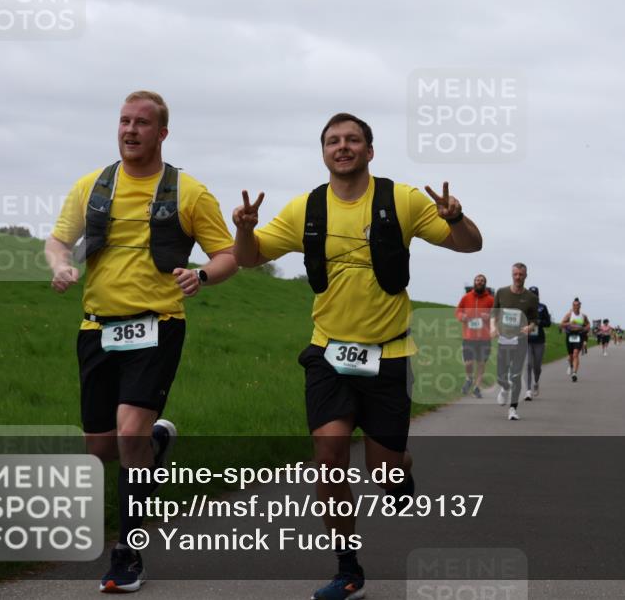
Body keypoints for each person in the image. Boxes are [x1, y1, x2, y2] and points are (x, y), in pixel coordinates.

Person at [231, 113, 482, 600]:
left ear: (369, 151)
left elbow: (470, 246)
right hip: (328, 352)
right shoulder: (306, 208)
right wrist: (244, 229)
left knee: (384, 472)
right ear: (323, 152)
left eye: (352, 140)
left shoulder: (401, 200)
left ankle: (399, 476)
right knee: (328, 458)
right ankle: (348, 569)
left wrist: (454, 217)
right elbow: (248, 258)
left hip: (388, 355)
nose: (341, 147)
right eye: (332, 141)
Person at [45, 91, 238, 593]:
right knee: (100, 447)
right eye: (124, 121)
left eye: (142, 123)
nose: (130, 130)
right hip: (97, 327)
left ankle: (128, 553)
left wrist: (204, 276)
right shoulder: (93, 185)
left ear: (162, 133)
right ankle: (156, 442)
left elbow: (227, 254)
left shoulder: (190, 193)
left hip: (157, 325)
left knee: (127, 432)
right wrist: (62, 265)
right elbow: (57, 240)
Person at [490, 263, 539, 420]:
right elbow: (493, 314)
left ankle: (513, 409)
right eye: (515, 274)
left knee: (516, 375)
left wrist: (530, 327)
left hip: (520, 340)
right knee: (501, 375)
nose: (518, 277)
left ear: (526, 275)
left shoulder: (531, 298)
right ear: (512, 274)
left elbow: (534, 320)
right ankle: (504, 389)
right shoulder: (501, 292)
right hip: (504, 339)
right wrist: (493, 327)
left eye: (521, 274)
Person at [456, 274, 494, 398]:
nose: (479, 282)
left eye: (482, 281)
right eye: (477, 280)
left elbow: (497, 314)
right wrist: (463, 317)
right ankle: (469, 379)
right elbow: (458, 311)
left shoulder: (490, 299)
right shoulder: (466, 297)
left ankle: (477, 388)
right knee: (468, 362)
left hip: (484, 338)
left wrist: (489, 317)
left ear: (485, 283)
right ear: (474, 282)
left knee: (481, 363)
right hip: (469, 336)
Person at [524, 285, 551, 400]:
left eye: (535, 294)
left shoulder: (542, 307)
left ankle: (536, 382)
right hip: (527, 340)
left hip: (539, 340)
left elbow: (548, 322)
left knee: (537, 366)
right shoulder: (523, 306)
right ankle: (528, 391)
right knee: (528, 364)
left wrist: (538, 322)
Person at [560, 298, 590, 382]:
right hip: (570, 335)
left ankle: (574, 373)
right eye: (574, 305)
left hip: (579, 335)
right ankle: (570, 365)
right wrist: (569, 323)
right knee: (570, 356)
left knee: (576, 354)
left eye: (577, 305)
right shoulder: (569, 315)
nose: (576, 307)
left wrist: (586, 328)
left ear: (580, 306)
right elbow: (561, 324)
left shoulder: (583, 316)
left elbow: (588, 324)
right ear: (572, 306)